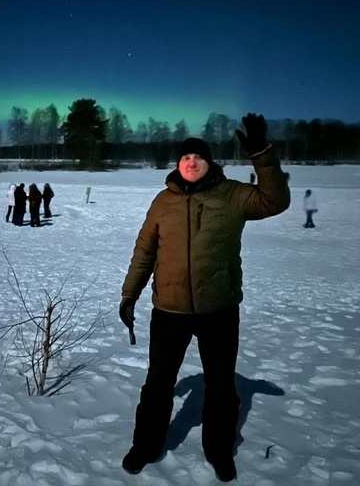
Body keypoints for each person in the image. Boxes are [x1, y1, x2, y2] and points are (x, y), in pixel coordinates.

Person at [118, 113, 290, 482]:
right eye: (184, 157)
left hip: (219, 310)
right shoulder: (162, 202)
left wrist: (261, 153)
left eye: (197, 157)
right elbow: (145, 251)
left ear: (209, 162)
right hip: (169, 310)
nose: (190, 162)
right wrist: (130, 293)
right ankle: (145, 447)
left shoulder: (233, 196)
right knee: (158, 384)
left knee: (221, 386)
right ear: (177, 164)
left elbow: (276, 201)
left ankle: (219, 450)